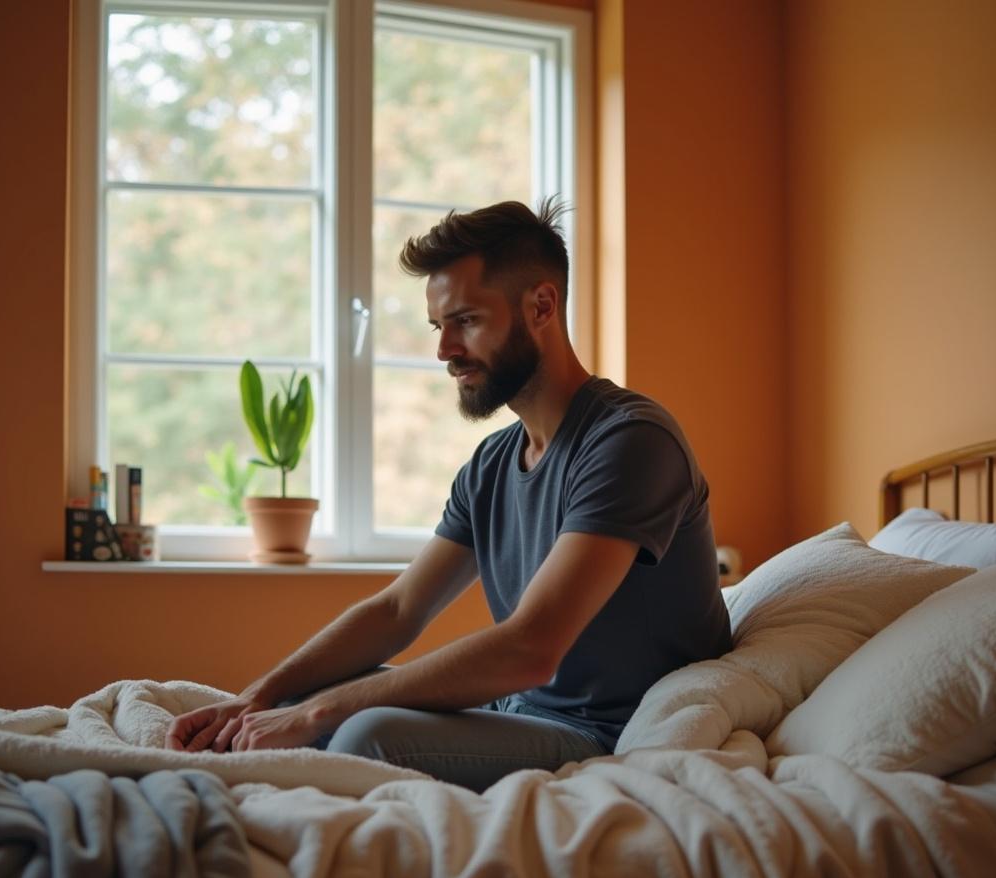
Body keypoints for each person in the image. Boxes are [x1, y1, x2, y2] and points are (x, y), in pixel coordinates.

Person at [167, 199, 731, 791]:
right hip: (516, 714)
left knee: (365, 732)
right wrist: (261, 696)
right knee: (306, 696)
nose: (444, 350)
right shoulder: (491, 463)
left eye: (466, 320)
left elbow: (530, 649)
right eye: (439, 326)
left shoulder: (629, 441)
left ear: (542, 306)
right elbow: (398, 610)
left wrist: (319, 715)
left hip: (599, 734)